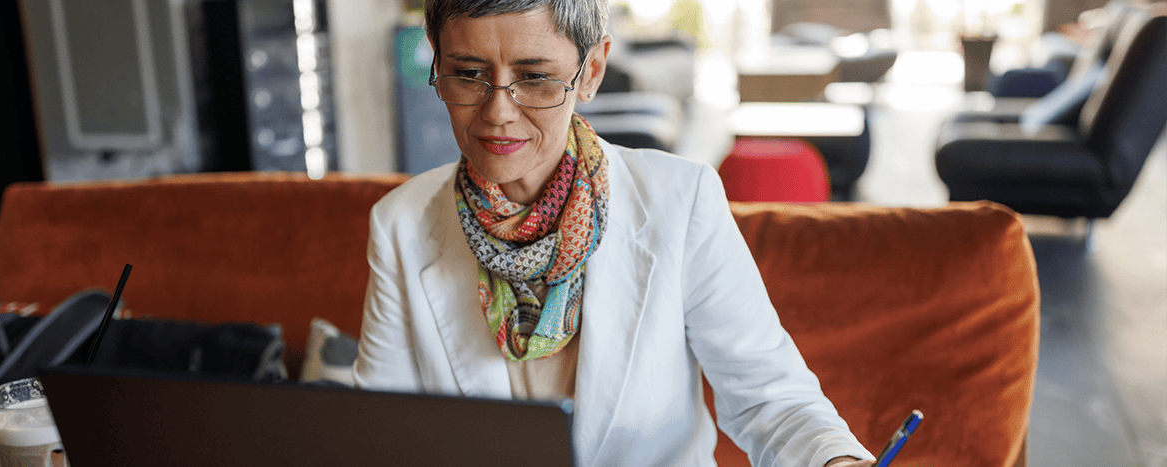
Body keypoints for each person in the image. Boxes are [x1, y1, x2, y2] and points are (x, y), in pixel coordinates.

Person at [353, 1, 874, 466]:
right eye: (467, 74)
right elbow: (380, 434)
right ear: (437, 66)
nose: (497, 113)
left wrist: (835, 460)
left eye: (534, 78)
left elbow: (771, 400)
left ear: (591, 71)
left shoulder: (680, 200)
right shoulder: (400, 223)